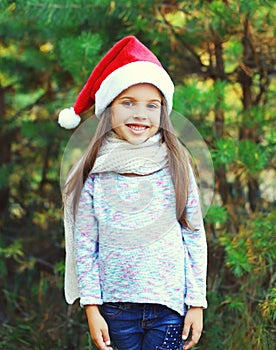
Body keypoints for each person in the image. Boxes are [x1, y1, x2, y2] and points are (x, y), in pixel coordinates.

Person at [58, 36, 207, 350]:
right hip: (116, 309)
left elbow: (193, 236)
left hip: (169, 306)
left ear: (162, 113)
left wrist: (196, 302)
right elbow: (86, 245)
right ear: (109, 109)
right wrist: (92, 307)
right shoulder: (94, 173)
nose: (141, 114)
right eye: (128, 102)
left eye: (152, 105)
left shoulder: (176, 164)